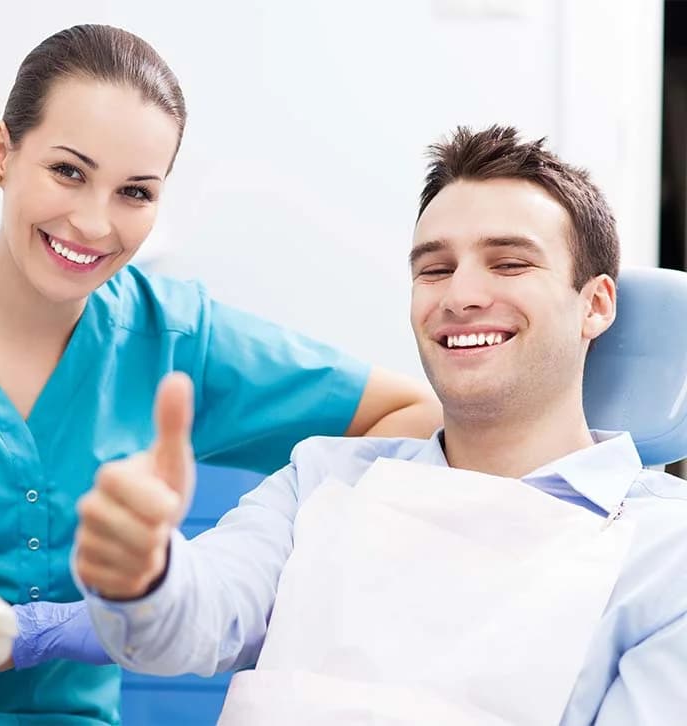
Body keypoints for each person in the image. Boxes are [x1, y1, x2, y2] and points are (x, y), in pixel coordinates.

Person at [0, 24, 443, 726]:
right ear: (3, 152)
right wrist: (27, 639)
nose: (93, 222)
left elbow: (413, 417)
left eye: (135, 192)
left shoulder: (175, 337)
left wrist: (232, 566)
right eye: (68, 171)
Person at [75, 126, 687, 725]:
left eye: (508, 263)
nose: (462, 294)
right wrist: (144, 572)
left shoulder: (667, 555)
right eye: (435, 269)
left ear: (596, 304)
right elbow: (196, 619)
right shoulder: (319, 480)